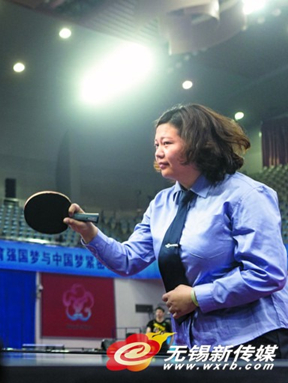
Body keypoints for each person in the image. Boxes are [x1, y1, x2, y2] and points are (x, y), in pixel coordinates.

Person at [65, 104, 288, 356]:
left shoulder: (246, 195)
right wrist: (89, 233)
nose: (158, 153)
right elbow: (128, 260)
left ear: (198, 145)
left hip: (255, 338)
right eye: (156, 145)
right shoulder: (161, 203)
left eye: (167, 143)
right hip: (196, 344)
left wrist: (196, 297)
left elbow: (268, 273)